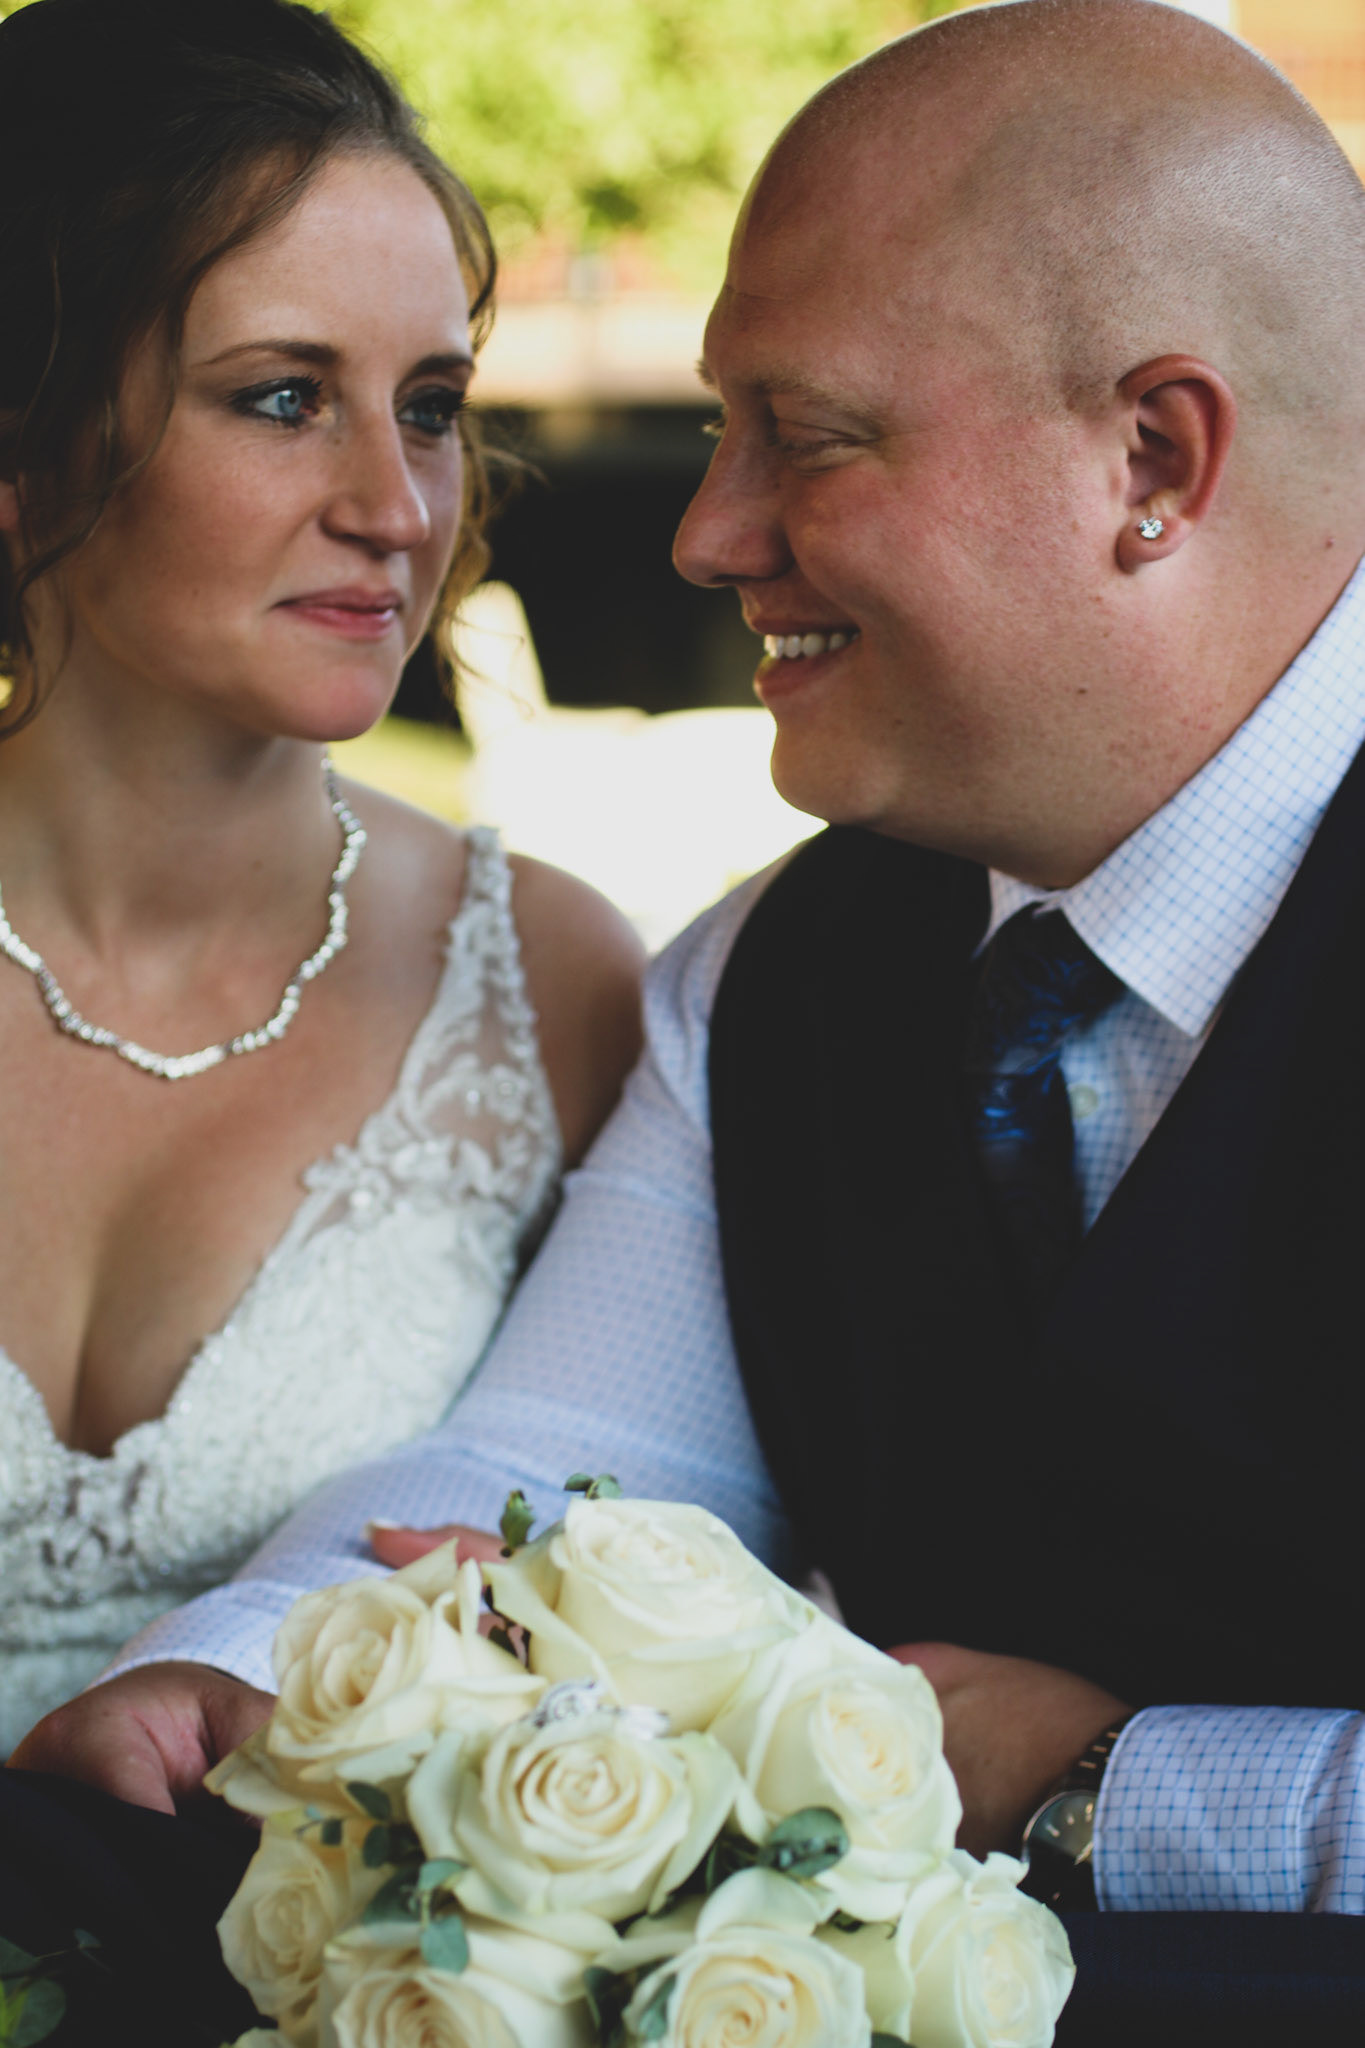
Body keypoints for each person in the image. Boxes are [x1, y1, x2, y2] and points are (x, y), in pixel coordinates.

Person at [13, 0, 1365, 2035]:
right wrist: (234, 1666)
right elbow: (564, 1464)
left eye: (802, 437)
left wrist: (1111, 1783)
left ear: (1151, 461)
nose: (703, 533)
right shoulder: (771, 979)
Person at [0, 0, 642, 1763]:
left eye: (428, 408)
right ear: (28, 452)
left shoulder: (556, 988)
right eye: (283, 399)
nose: (397, 504)